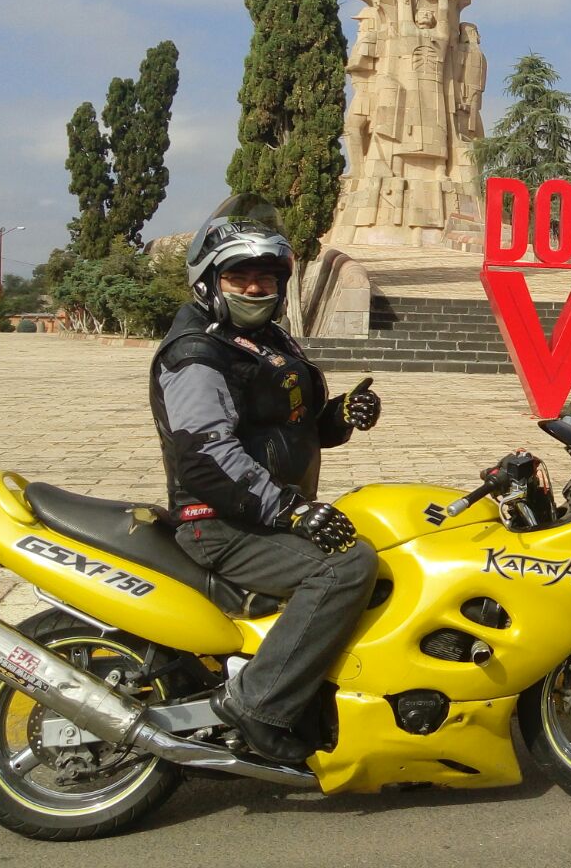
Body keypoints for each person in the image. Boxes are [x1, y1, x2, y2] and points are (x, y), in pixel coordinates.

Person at [149, 195, 381, 763]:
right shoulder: (198, 352)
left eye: (267, 278)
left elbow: (283, 428)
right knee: (345, 566)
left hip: (259, 509)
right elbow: (206, 454)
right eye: (240, 277)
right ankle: (259, 705)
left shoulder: (262, 339)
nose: (255, 288)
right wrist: (291, 511)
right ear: (209, 280)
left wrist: (338, 417)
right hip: (219, 522)